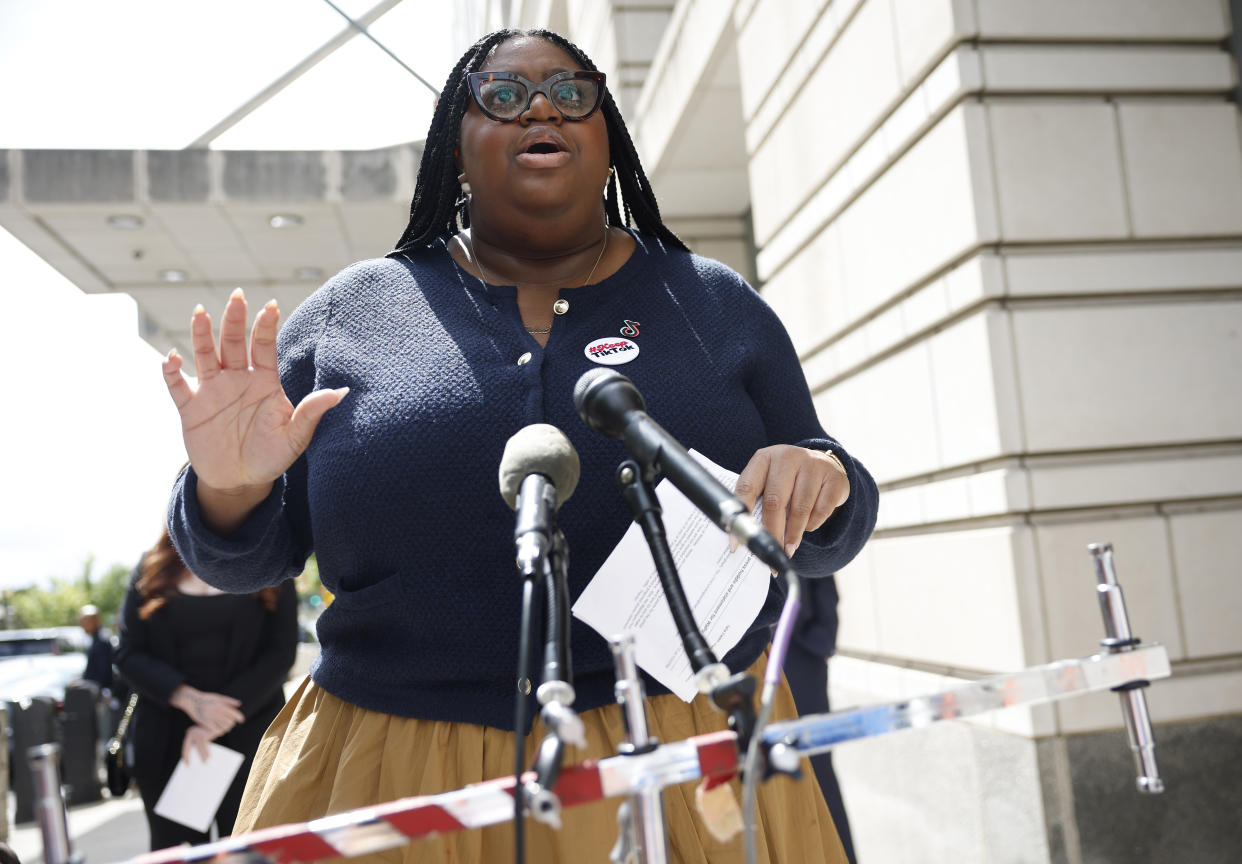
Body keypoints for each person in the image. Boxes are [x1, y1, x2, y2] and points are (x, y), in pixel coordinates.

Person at [163, 27, 878, 863]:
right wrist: (230, 488)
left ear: (607, 138)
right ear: (454, 150)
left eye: (573, 92)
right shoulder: (350, 314)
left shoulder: (715, 303)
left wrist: (822, 478)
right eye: (502, 95)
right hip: (390, 768)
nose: (543, 106)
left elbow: (832, 515)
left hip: (688, 756)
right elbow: (241, 562)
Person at [114, 528, 298, 851]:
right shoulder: (152, 567)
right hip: (167, 747)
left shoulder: (273, 563)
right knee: (180, 854)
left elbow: (281, 653)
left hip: (249, 739)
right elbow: (127, 654)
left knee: (248, 853)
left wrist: (216, 718)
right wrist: (191, 701)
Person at [785, 576, 858, 864]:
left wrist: (822, 637)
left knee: (818, 773)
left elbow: (823, 567)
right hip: (748, 666)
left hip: (801, 657)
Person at [78, 603, 113, 690]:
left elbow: (103, 676)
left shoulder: (102, 641)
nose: (82, 624)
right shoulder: (95, 640)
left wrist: (84, 683)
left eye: (85, 621)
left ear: (96, 621)